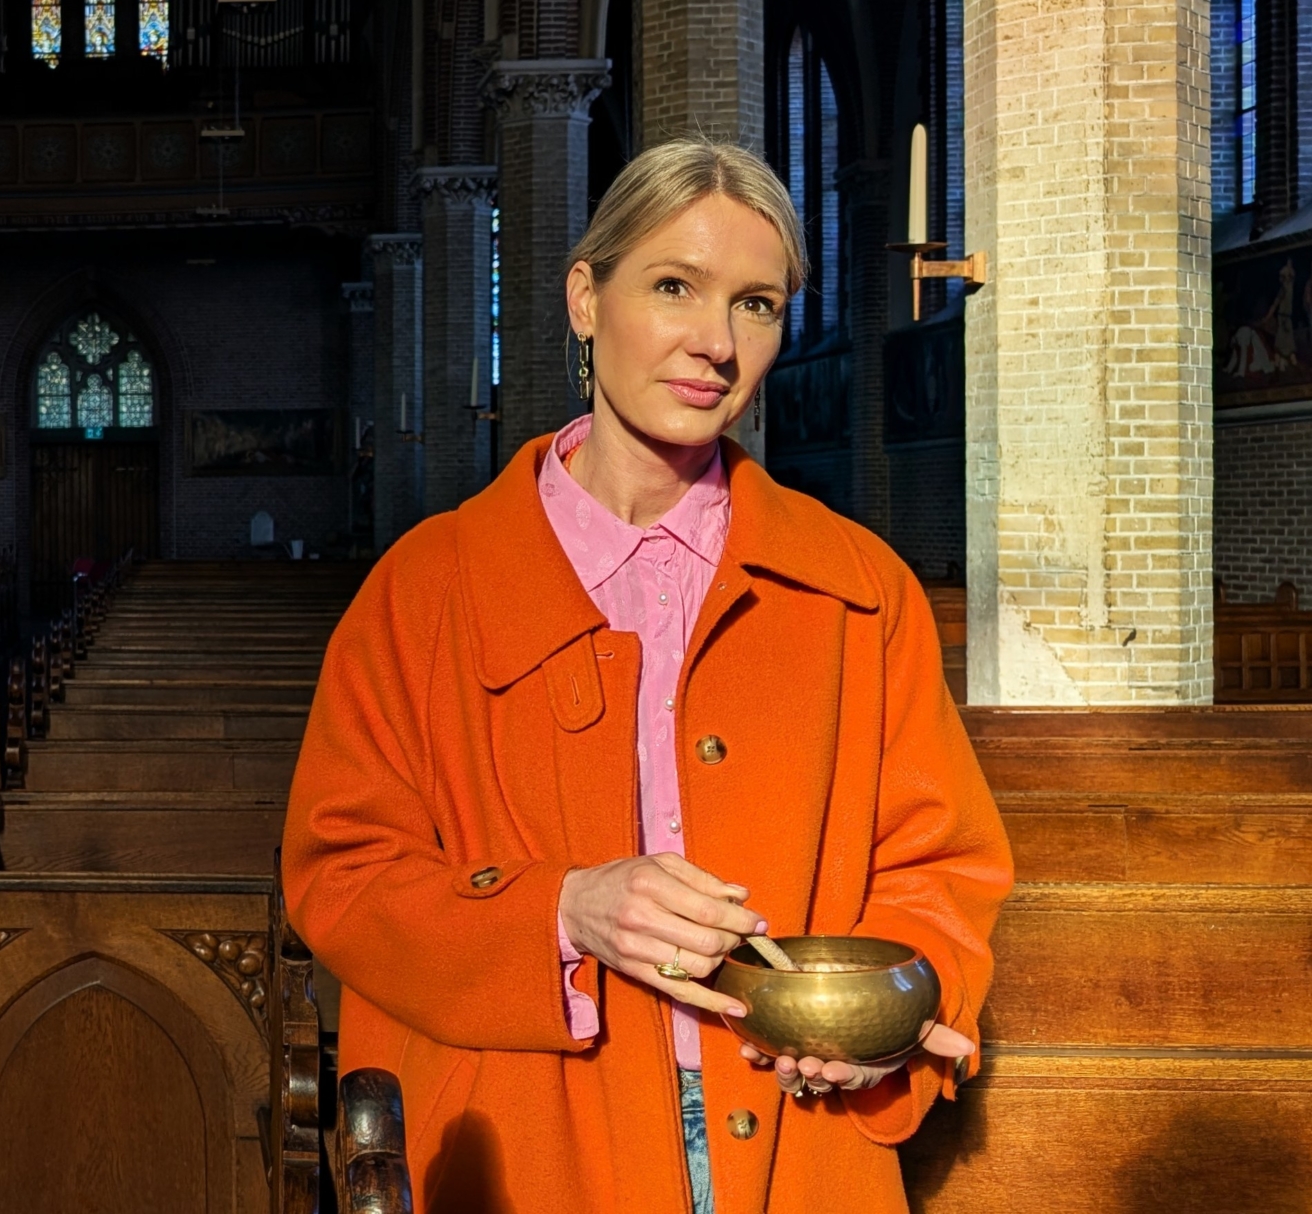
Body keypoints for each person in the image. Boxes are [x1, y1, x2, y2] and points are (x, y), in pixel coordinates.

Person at [283, 136, 1013, 1214]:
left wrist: (883, 1022)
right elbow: (341, 876)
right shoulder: (426, 591)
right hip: (523, 1146)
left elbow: (937, 871)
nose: (713, 342)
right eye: (673, 286)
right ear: (585, 297)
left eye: (756, 305)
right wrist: (564, 909)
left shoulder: (857, 589)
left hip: (792, 1147)